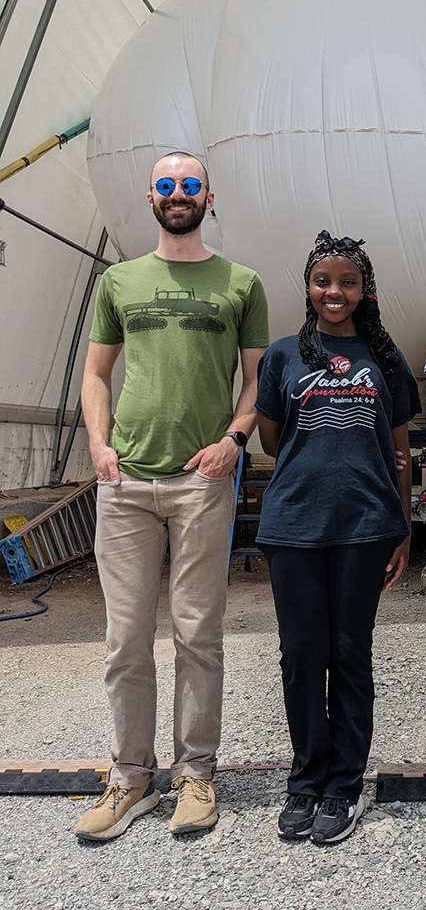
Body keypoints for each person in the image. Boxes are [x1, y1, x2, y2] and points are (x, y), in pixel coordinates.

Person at [76, 151, 269, 841]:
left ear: (208, 197)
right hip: (125, 481)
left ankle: (195, 775)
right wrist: (100, 446)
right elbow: (96, 375)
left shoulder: (240, 282)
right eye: (167, 185)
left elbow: (257, 380)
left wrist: (235, 439)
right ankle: (130, 780)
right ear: (151, 198)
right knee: (124, 639)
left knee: (198, 634)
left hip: (202, 480)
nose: (178, 194)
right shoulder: (119, 280)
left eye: (190, 185)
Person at [255, 230, 420, 846]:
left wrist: (402, 527)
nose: (335, 291)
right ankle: (306, 780)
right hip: (294, 525)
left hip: (366, 525)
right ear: (308, 286)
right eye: (323, 280)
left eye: (347, 282)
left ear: (364, 290)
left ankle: (344, 784)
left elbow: (400, 450)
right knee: (302, 654)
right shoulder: (282, 356)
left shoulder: (385, 357)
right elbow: (272, 441)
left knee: (350, 654)